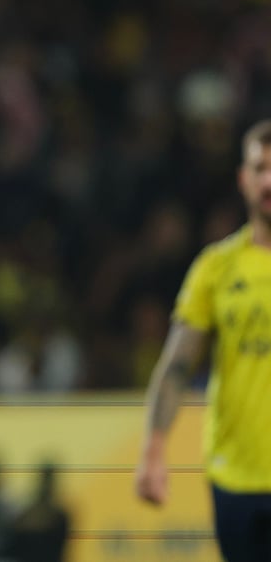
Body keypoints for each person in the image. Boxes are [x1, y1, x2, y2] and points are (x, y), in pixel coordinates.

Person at [135, 119, 271, 561]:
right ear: (243, 179)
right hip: (234, 475)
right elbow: (176, 366)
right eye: (260, 168)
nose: (269, 180)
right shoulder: (215, 268)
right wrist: (154, 450)